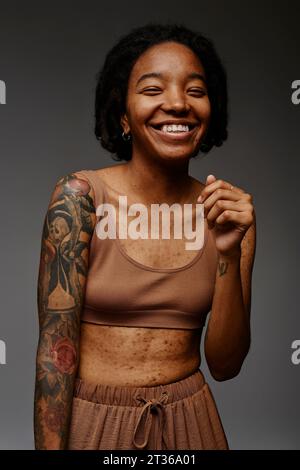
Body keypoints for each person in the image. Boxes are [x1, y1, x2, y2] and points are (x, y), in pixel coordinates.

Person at [34, 23, 256, 450]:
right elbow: (54, 354)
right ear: (123, 115)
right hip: (94, 424)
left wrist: (227, 250)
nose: (177, 104)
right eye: (153, 90)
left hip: (192, 424)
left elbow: (226, 365)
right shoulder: (79, 197)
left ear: (211, 112)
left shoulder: (228, 214)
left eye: (195, 90)